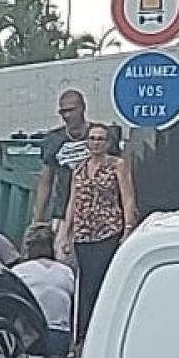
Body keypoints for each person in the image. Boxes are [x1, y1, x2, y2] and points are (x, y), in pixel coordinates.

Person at [58, 123, 138, 339]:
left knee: (100, 277)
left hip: (108, 229)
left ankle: (101, 329)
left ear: (108, 143)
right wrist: (66, 232)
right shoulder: (79, 168)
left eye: (100, 139)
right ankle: (83, 333)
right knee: (85, 282)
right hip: (84, 233)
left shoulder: (117, 165)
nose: (96, 143)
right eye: (92, 138)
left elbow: (127, 197)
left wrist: (128, 227)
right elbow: (73, 202)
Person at [31, 90, 122, 248]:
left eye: (71, 110)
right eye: (63, 111)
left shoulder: (100, 134)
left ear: (82, 108)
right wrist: (38, 219)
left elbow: (120, 174)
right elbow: (46, 181)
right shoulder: (53, 140)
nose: (66, 116)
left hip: (100, 214)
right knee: (62, 254)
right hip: (63, 212)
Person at [10, 223, 74, 358]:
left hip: (31, 337)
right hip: (60, 337)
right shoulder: (66, 272)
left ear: (29, 248)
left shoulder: (19, 271)